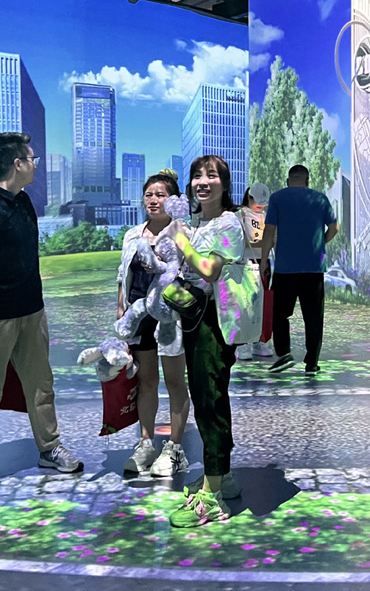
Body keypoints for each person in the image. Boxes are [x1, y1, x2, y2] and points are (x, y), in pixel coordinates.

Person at [0, 132, 82, 492]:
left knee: (41, 385)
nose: (35, 165)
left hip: (32, 311)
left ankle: (49, 447)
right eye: (31, 159)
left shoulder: (23, 201)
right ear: (17, 164)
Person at [168, 155, 260, 527]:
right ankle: (222, 476)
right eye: (196, 176)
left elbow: (209, 269)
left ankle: (213, 497)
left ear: (225, 184)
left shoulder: (228, 223)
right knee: (206, 397)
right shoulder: (198, 221)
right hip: (196, 316)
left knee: (210, 402)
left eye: (211, 176)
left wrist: (182, 242)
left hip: (215, 320)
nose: (202, 182)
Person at [117, 170, 192, 478]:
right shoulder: (133, 234)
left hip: (171, 317)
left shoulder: (182, 232)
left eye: (160, 195)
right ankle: (145, 443)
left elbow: (192, 274)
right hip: (139, 315)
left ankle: (175, 448)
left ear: (172, 201)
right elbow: (122, 275)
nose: (153, 200)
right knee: (146, 381)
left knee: (175, 382)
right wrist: (121, 310)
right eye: (149, 194)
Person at [258, 165, 338, 374]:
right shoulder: (320, 199)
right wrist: (321, 243)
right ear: (307, 180)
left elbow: (269, 231)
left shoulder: (277, 198)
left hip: (285, 269)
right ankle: (312, 363)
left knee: (279, 314)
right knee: (313, 318)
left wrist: (264, 260)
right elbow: (334, 228)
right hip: (314, 269)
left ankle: (284, 353)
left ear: (288, 181)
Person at [236, 182, 273, 362]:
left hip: (264, 261)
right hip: (246, 262)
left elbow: (272, 239)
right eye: (258, 201)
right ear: (249, 197)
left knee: (263, 303)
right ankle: (243, 342)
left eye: (263, 202)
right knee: (245, 303)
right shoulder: (240, 214)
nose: (260, 205)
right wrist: (262, 243)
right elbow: (238, 241)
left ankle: (260, 340)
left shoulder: (265, 216)